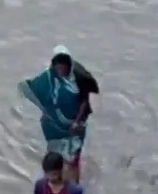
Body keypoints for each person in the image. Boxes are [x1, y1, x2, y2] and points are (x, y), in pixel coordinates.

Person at [20, 46, 100, 181]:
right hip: (54, 124)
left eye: (63, 67)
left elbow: (85, 101)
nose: (61, 70)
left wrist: (77, 121)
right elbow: (31, 88)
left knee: (73, 155)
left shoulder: (80, 77)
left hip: (75, 125)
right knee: (53, 152)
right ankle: (53, 179)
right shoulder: (50, 76)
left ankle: (74, 184)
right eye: (58, 67)